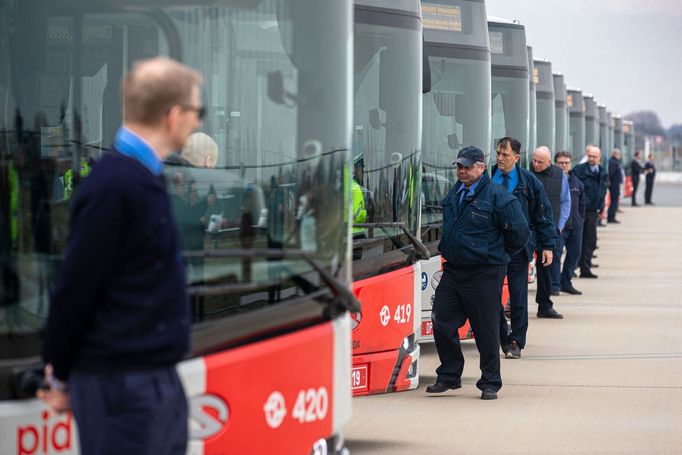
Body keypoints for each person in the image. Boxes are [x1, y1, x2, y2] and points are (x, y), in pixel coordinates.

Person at [39, 57, 203, 454]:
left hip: (150, 378)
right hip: (122, 387)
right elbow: (76, 287)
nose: (198, 122)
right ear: (173, 115)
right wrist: (60, 376)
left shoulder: (141, 178)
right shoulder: (114, 185)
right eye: (198, 112)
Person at [426, 146, 529, 400]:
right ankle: (450, 375)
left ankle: (490, 381)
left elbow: (520, 233)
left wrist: (496, 256)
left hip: (484, 272)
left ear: (481, 168)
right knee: (441, 319)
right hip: (454, 271)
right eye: (459, 167)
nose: (462, 171)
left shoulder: (499, 197)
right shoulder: (455, 193)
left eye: (468, 167)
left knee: (486, 329)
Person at [492, 138, 557, 360]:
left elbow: (544, 214)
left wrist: (548, 245)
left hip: (519, 247)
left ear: (516, 158)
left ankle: (516, 341)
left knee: (518, 295)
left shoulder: (529, 182)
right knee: (490, 295)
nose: (500, 158)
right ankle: (503, 336)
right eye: (498, 154)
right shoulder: (487, 178)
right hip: (492, 247)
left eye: (505, 155)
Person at [531, 146, 570, 302]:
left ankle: (545, 303)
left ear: (549, 162)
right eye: (534, 160)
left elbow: (565, 201)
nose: (535, 164)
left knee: (546, 267)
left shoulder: (559, 175)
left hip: (549, 229)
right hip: (529, 227)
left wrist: (559, 226)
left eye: (540, 162)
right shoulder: (527, 174)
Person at [573, 145, 607, 279]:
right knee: (578, 240)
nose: (592, 158)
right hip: (581, 210)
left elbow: (603, 191)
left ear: (600, 158)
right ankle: (573, 268)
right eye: (590, 156)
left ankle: (585, 268)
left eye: (595, 156)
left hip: (594, 210)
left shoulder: (603, 172)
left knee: (590, 240)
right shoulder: (579, 170)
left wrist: (601, 208)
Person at [555, 151, 585, 295]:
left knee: (574, 254)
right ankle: (554, 285)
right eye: (561, 162)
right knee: (556, 256)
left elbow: (582, 203)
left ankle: (566, 282)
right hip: (560, 227)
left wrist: (580, 219)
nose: (564, 165)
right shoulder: (553, 180)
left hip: (575, 226)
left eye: (566, 162)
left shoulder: (576, 182)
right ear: (555, 163)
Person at [607, 149, 623, 223]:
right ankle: (611, 217)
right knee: (614, 201)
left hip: (615, 183)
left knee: (615, 200)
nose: (620, 156)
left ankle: (612, 216)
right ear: (615, 154)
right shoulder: (613, 162)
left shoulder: (614, 161)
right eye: (619, 154)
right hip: (614, 184)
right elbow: (612, 174)